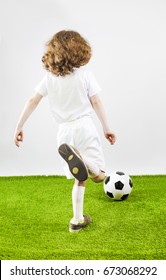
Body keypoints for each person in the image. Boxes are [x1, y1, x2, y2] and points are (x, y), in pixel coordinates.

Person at [14, 30, 116, 233]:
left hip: (64, 134)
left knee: (81, 177)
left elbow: (32, 100)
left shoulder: (49, 78)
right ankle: (84, 162)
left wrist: (19, 126)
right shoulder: (85, 75)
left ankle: (77, 220)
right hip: (84, 126)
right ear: (80, 50)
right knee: (99, 176)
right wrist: (107, 127)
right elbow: (96, 101)